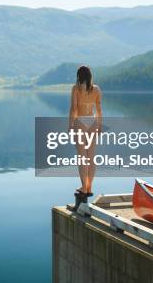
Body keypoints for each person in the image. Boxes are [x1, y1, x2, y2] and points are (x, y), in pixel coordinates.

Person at [69, 65, 102, 203]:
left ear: (78, 76)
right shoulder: (96, 89)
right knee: (91, 156)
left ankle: (83, 186)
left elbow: (73, 109)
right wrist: (99, 125)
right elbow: (99, 110)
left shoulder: (76, 89)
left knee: (82, 157)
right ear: (90, 76)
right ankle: (89, 187)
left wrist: (70, 126)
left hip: (81, 123)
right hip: (93, 122)